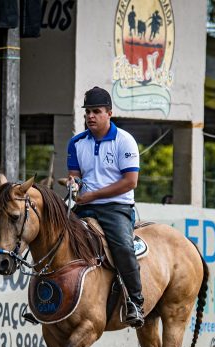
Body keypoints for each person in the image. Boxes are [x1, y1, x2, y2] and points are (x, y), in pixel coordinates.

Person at [67, 86, 144, 327]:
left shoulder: (125, 141)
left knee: (122, 246)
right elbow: (75, 176)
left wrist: (93, 195)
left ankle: (135, 302)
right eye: (87, 111)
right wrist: (74, 185)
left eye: (96, 111)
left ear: (109, 113)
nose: (90, 116)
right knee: (54, 237)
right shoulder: (76, 143)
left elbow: (130, 182)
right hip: (85, 206)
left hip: (116, 208)